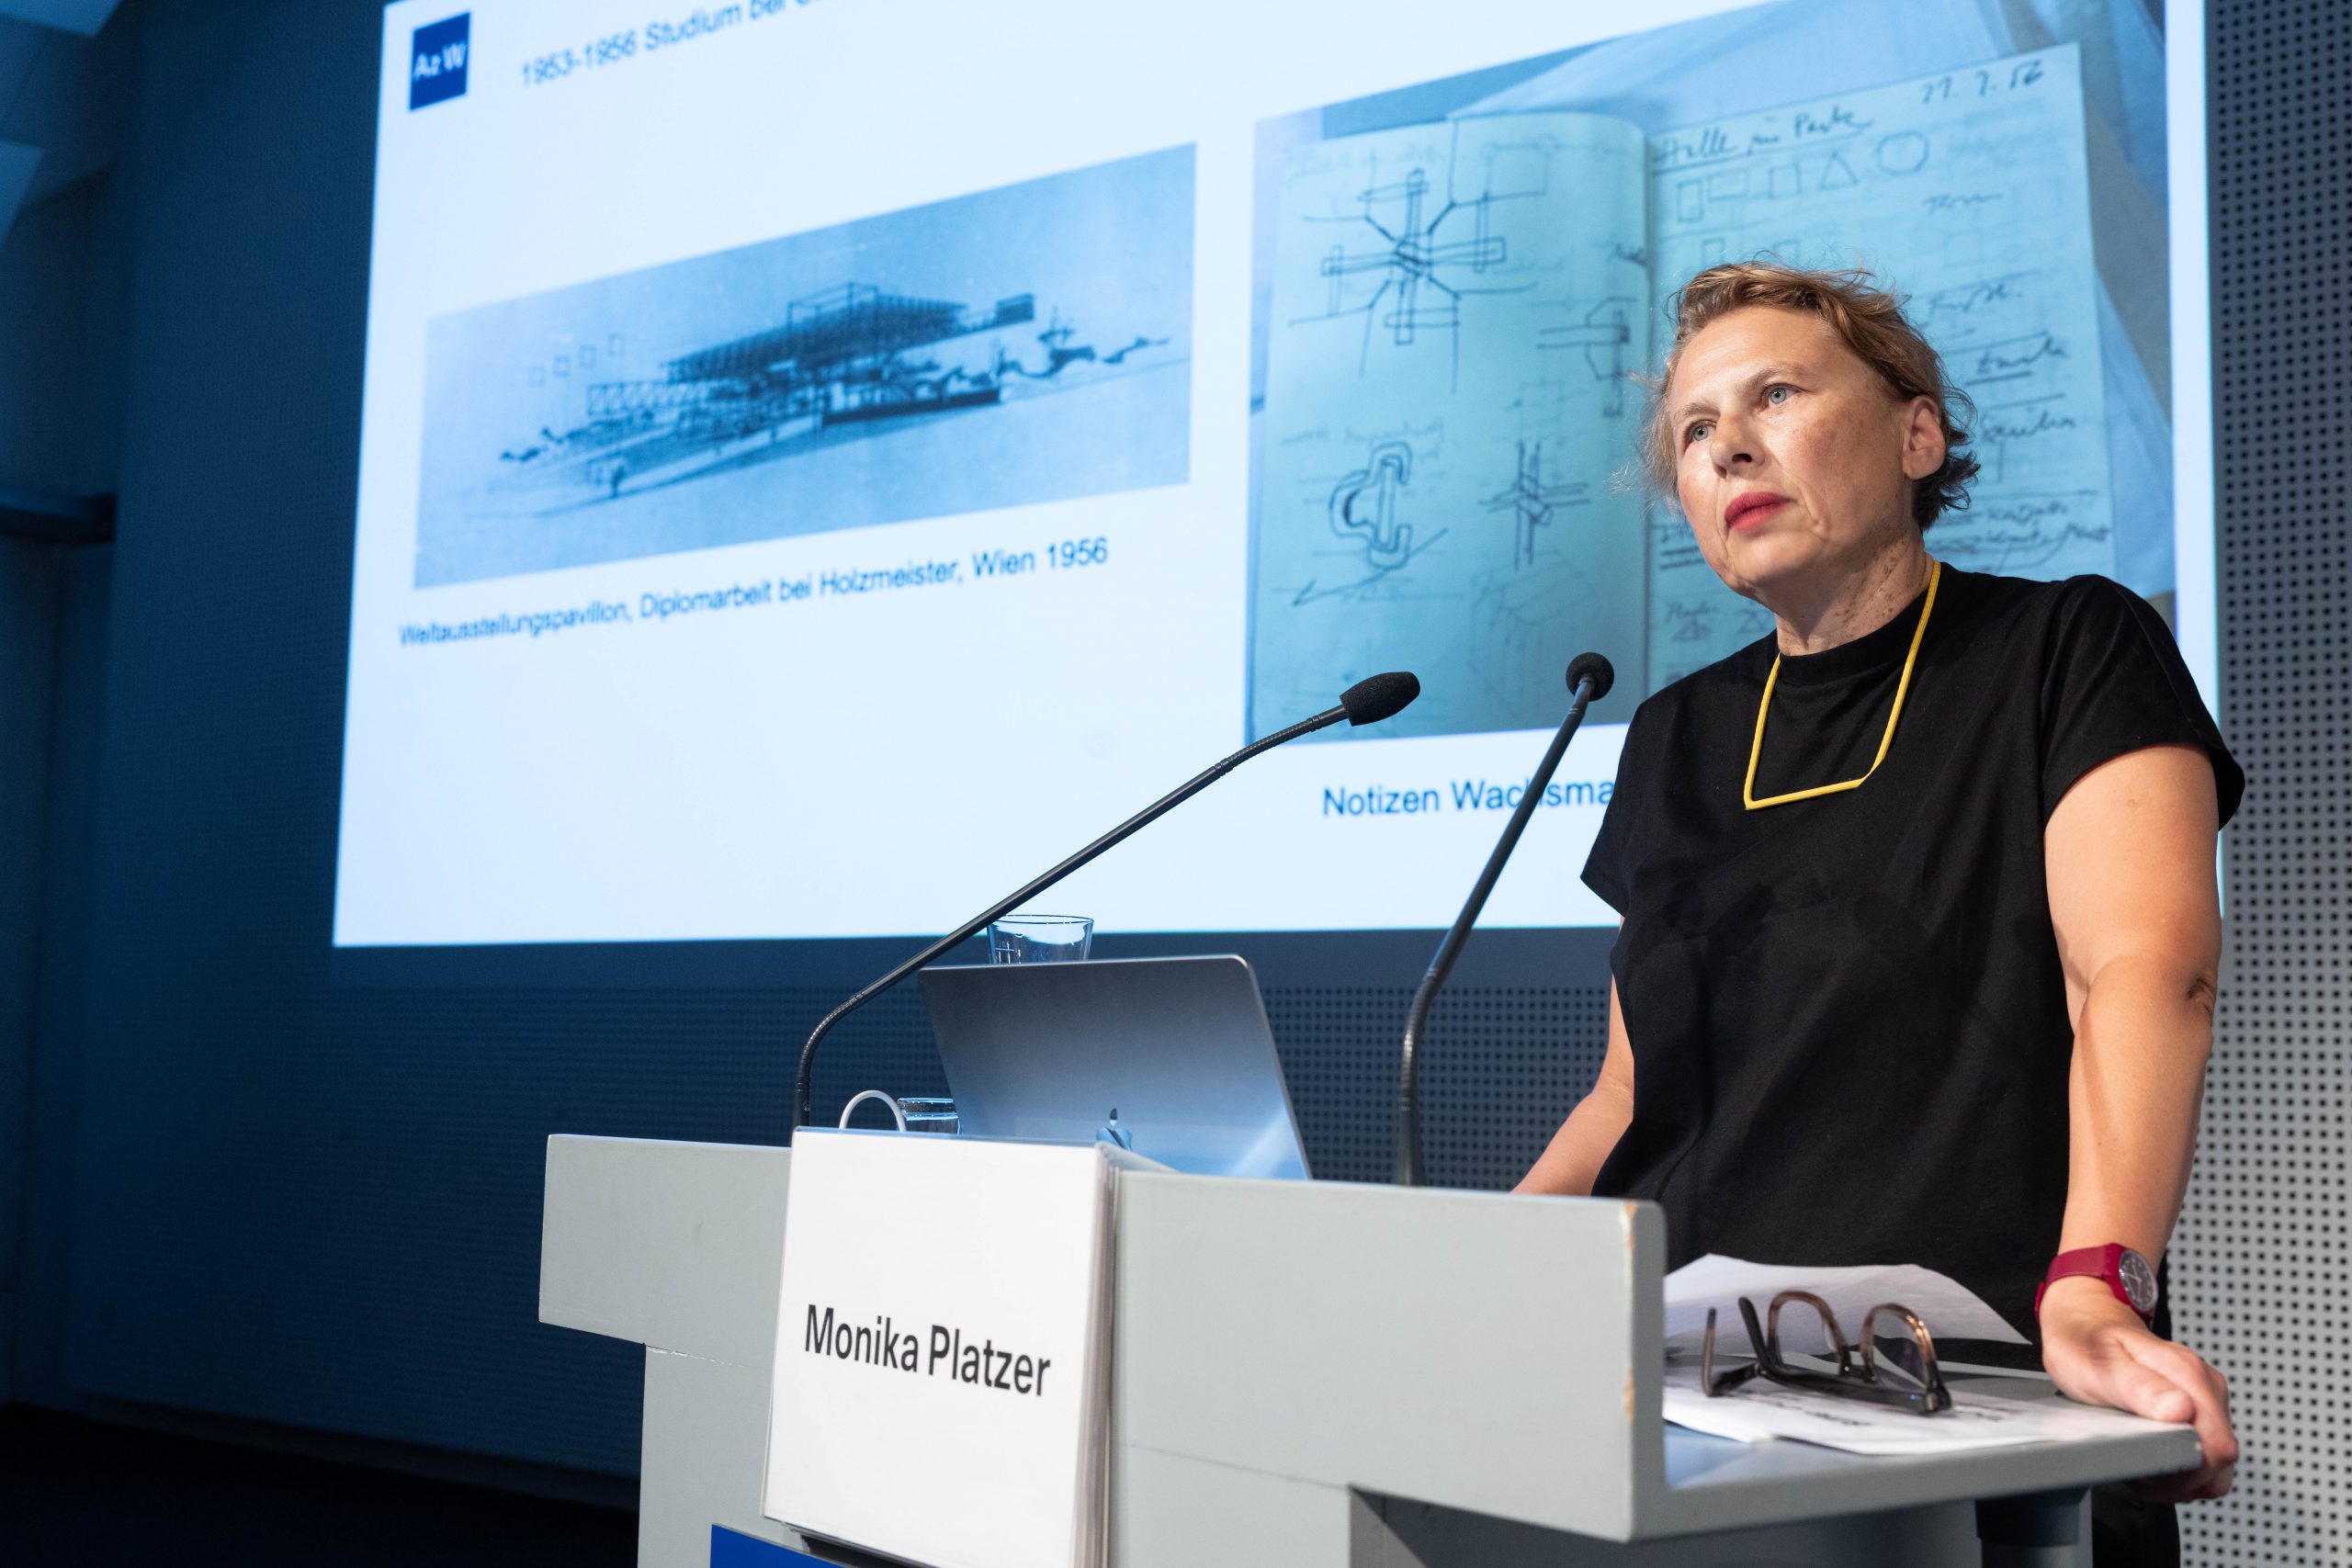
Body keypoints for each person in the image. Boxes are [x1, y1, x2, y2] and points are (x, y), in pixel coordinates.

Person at [1517, 262, 2240, 1566]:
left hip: (1962, 1391)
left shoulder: (2067, 647)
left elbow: (2141, 974)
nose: (1728, 442)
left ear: (1919, 434)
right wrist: (1473, 1267)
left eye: (1776, 394)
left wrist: (2097, 1282)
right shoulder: (1673, 734)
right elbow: (1627, 1100)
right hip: (1684, 1400)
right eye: (1694, 429)